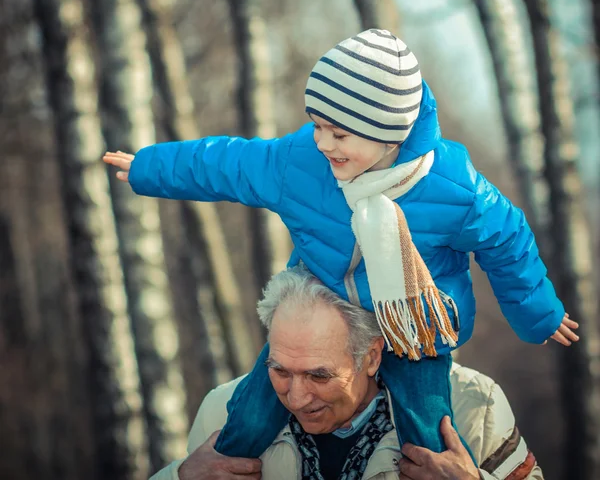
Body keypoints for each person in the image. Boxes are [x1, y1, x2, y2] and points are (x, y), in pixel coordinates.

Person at [104, 28, 578, 459]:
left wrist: (538, 313)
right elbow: (226, 165)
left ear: (389, 134)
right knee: (248, 420)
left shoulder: (452, 187)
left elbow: (507, 238)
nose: (323, 142)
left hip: (413, 324)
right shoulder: (300, 162)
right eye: (317, 124)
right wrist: (148, 167)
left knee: (430, 438)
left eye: (340, 133)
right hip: (322, 315)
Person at [150, 265, 544, 480]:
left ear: (371, 356)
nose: (297, 396)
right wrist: (180, 477)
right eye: (280, 370)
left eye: (318, 375)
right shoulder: (223, 411)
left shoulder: (474, 405)